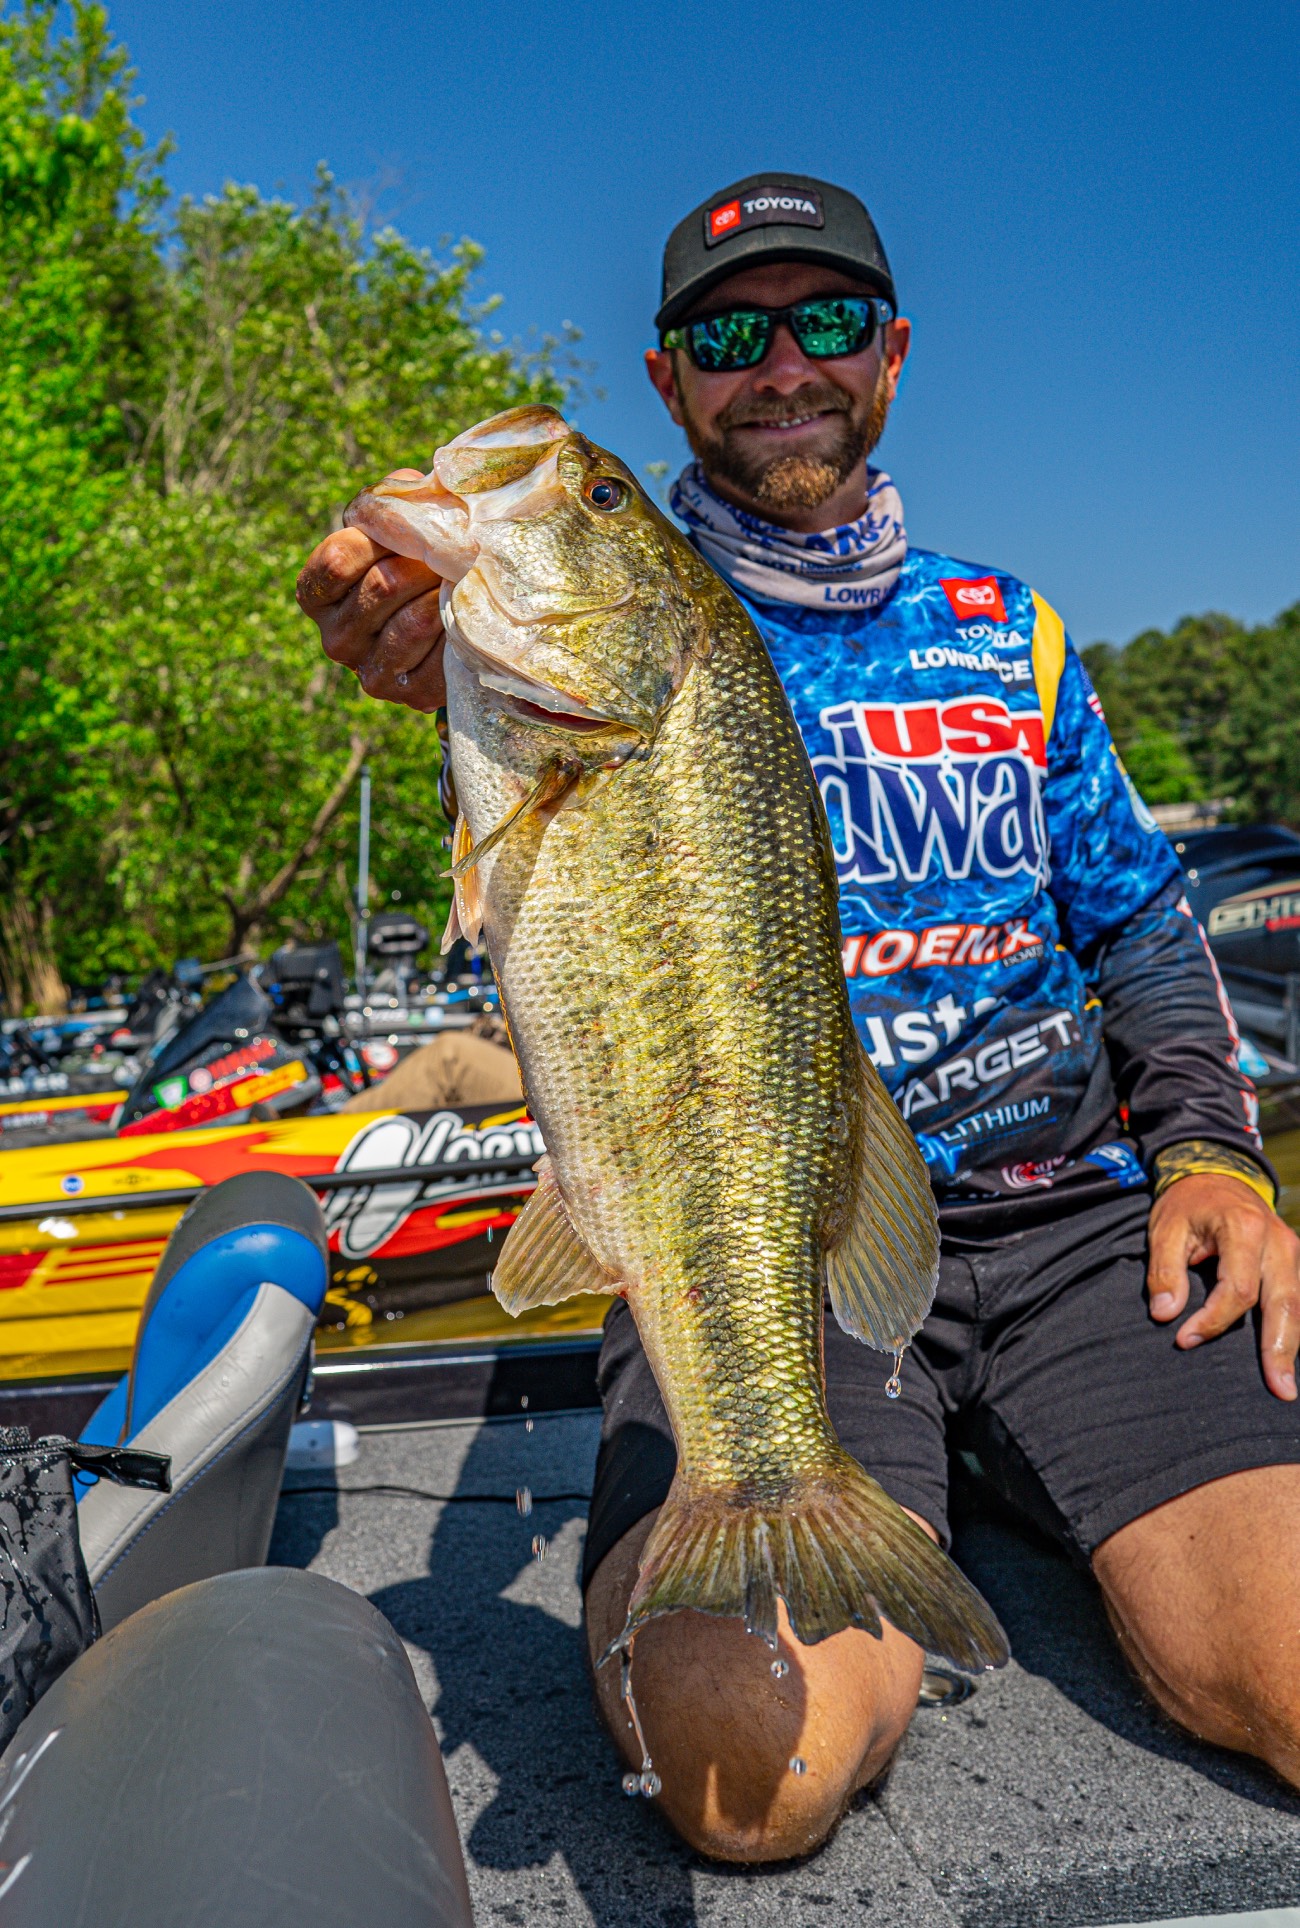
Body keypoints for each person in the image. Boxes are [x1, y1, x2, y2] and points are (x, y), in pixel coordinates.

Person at [297, 172, 1300, 1864]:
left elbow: (1135, 916)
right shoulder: (600, 622)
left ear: (890, 354)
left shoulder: (1017, 634)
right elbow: (477, 661)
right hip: (752, 1251)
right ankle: (879, 1488)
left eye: (825, 321)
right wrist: (415, 627)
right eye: (728, 332)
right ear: (671, 373)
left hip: (1070, 1233)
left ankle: (1004, 1475)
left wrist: (1212, 1152)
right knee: (742, 1777)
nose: (783, 363)